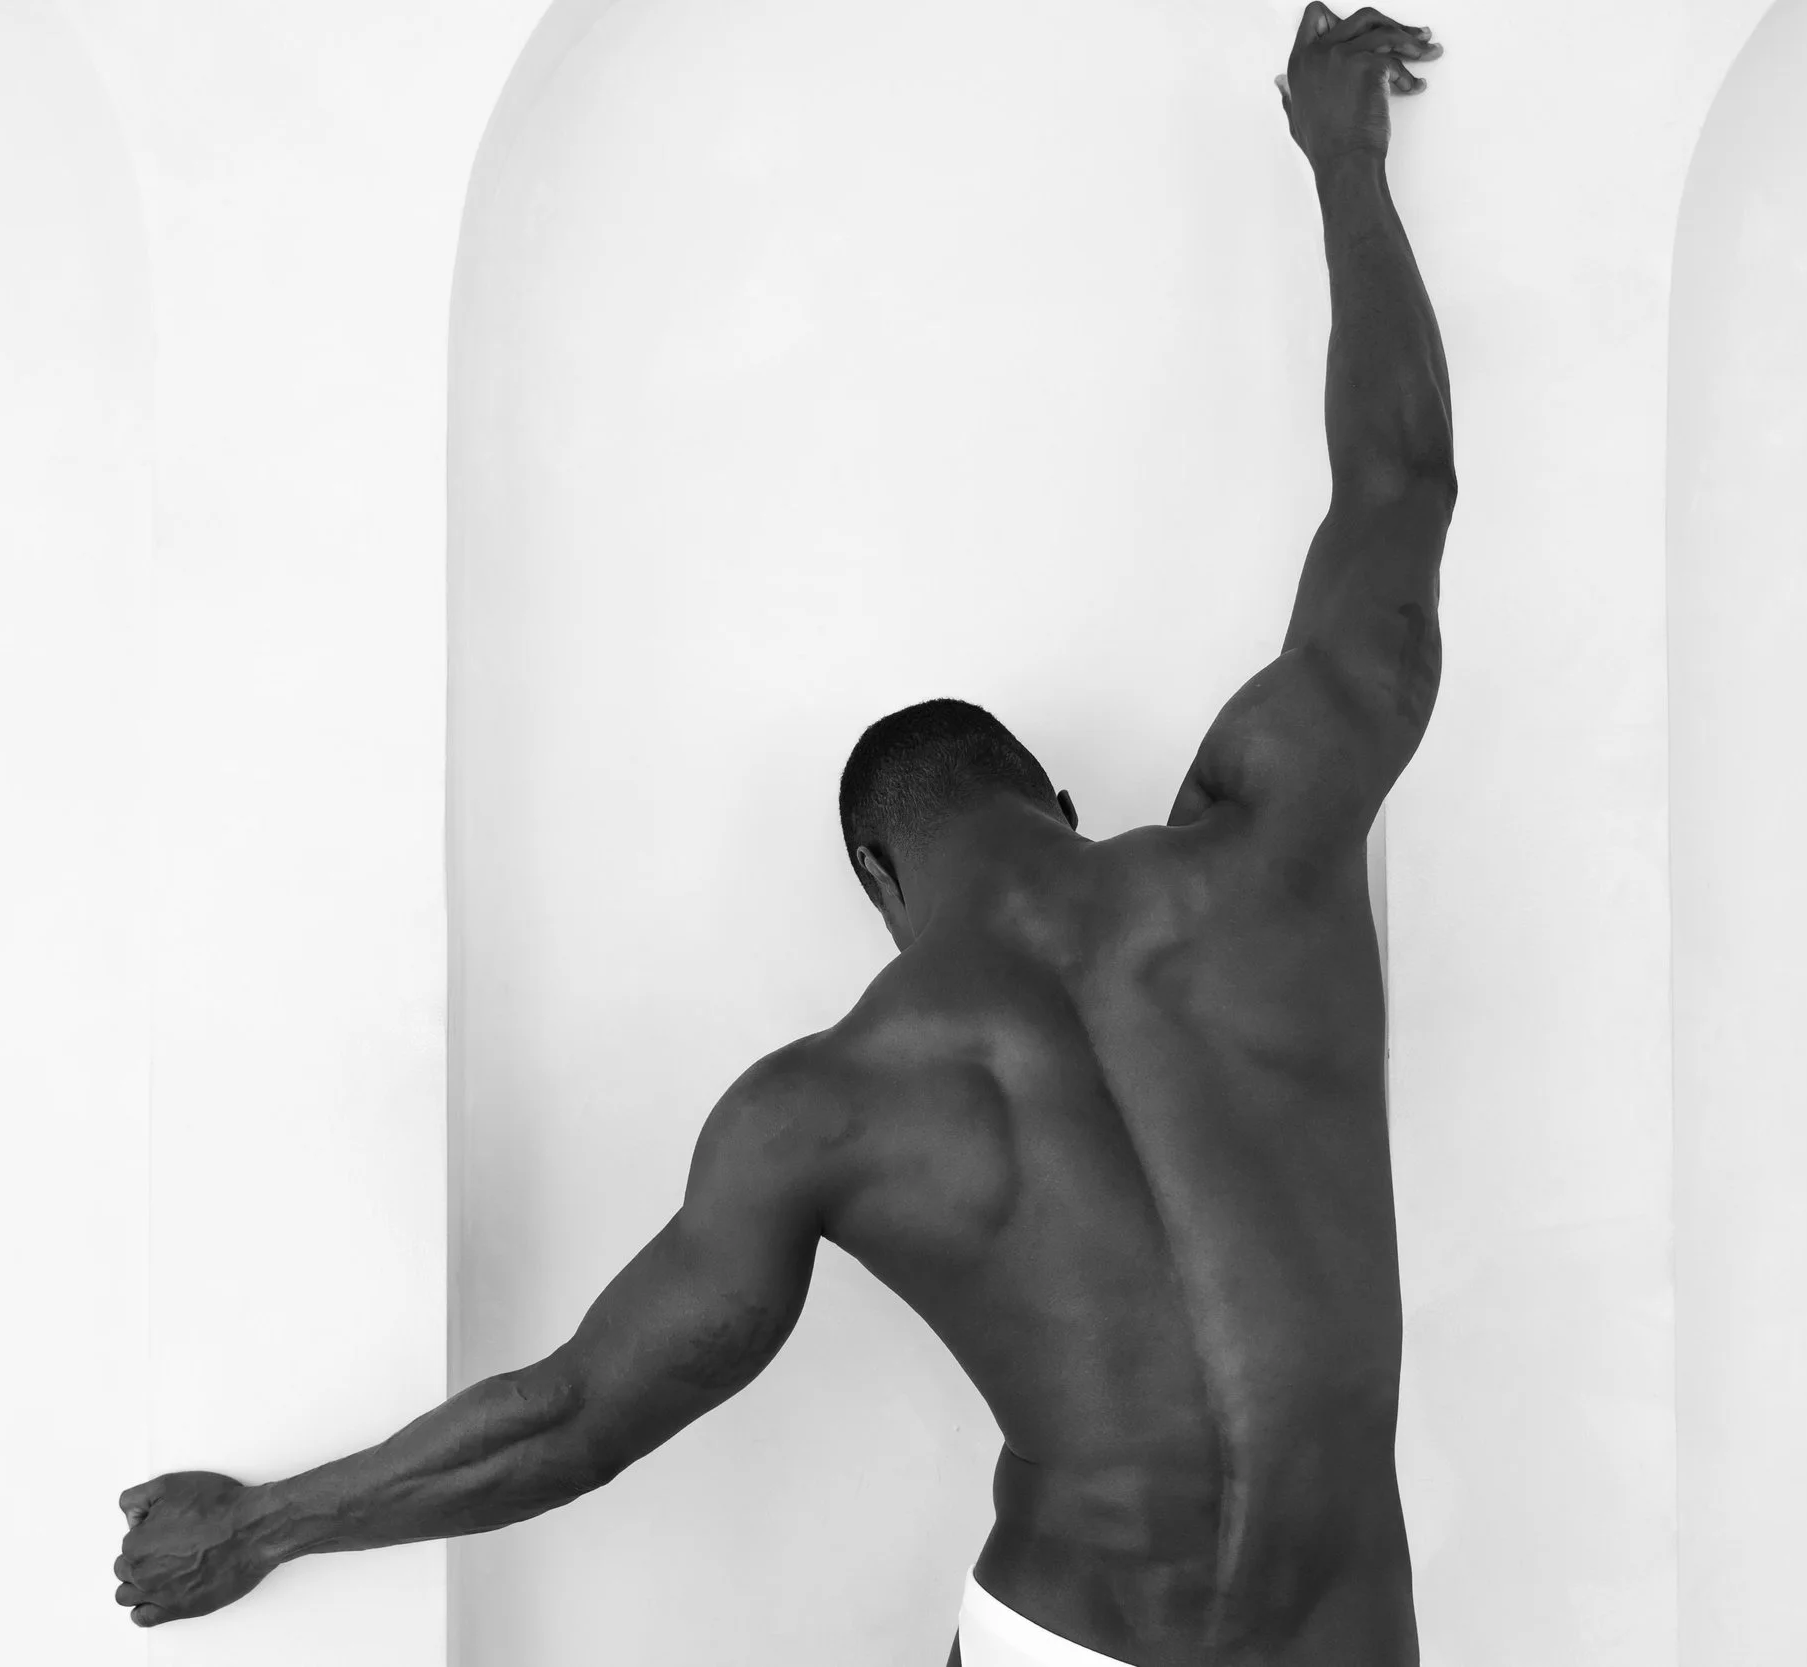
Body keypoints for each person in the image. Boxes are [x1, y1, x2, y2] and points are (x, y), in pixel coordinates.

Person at [114, 6, 1452, 1661]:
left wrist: (260, 1522)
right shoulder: (1272, 849)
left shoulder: (821, 1109)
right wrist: (1343, 157)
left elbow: (578, 1411)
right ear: (1056, 798)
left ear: (879, 881)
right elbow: (1397, 491)